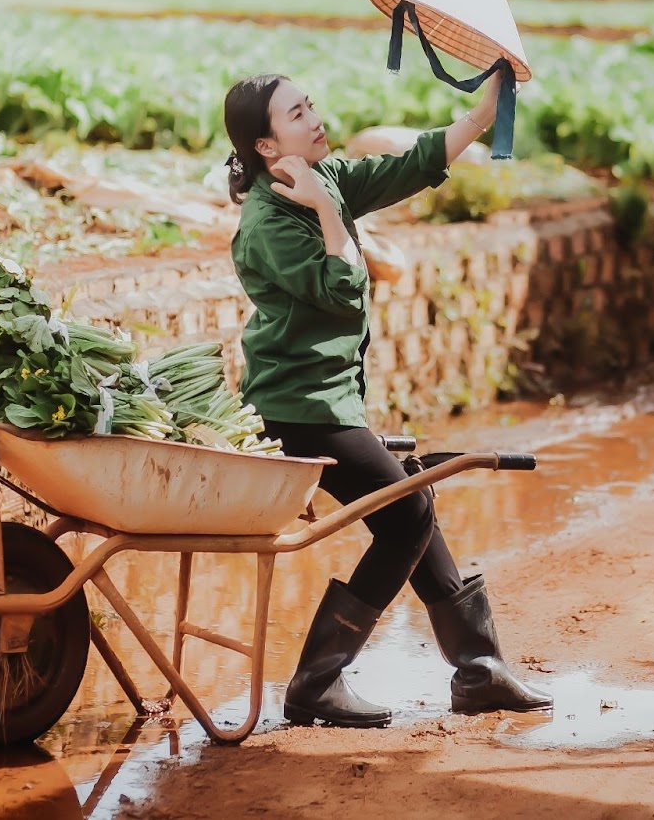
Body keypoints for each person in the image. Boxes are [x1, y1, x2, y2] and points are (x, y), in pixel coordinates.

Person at [224, 71, 550, 728]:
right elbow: (341, 286)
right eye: (296, 113)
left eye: (310, 102)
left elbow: (407, 167)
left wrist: (483, 115)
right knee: (406, 516)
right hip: (297, 409)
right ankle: (317, 684)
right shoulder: (269, 221)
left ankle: (479, 670)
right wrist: (322, 208)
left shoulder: (328, 179)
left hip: (328, 400)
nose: (315, 117)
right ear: (265, 145)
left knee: (411, 504)